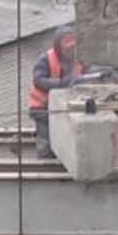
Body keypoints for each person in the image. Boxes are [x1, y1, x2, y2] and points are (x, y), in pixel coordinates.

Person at [28, 26, 86, 160]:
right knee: (46, 144)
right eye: (67, 48)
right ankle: (44, 170)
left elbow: (88, 70)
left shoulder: (79, 58)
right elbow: (38, 80)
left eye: (73, 47)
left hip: (66, 107)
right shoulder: (45, 59)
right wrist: (61, 83)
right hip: (43, 108)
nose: (70, 51)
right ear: (59, 47)